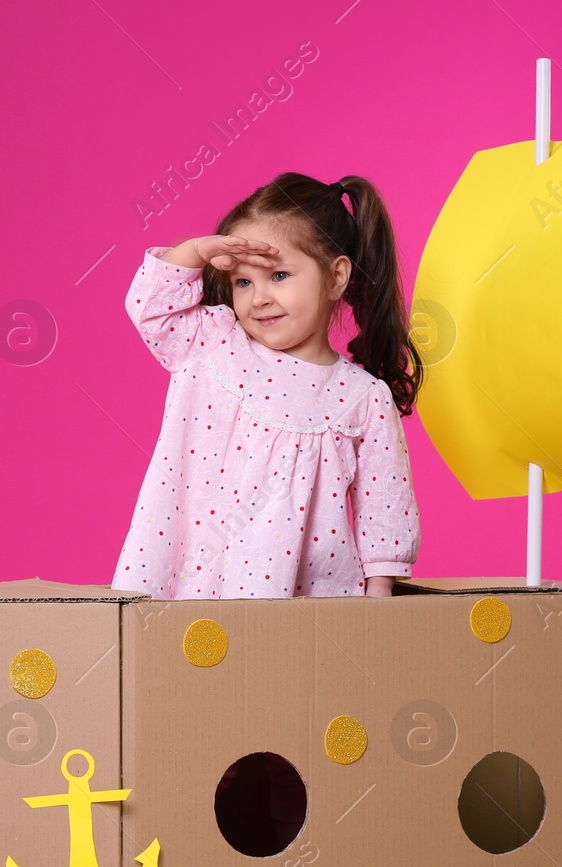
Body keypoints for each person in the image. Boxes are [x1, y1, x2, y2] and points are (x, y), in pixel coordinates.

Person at [111, 172, 423, 599]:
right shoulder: (211, 344)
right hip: (191, 582)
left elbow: (384, 505)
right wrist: (195, 252)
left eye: (278, 276)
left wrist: (378, 594)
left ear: (336, 277)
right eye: (244, 281)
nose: (258, 297)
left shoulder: (363, 398)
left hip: (310, 600)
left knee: (286, 665)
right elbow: (150, 308)